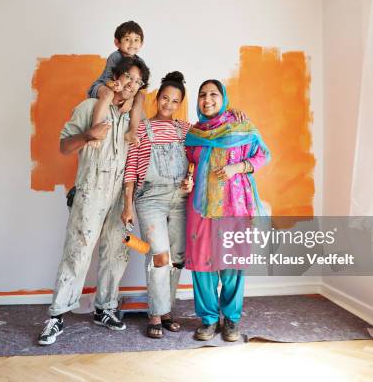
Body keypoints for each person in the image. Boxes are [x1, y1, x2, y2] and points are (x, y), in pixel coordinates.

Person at [38, 56, 150, 346]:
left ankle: (105, 308)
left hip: (120, 196)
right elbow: (64, 146)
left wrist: (128, 204)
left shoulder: (133, 122)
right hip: (90, 190)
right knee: (78, 251)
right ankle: (57, 316)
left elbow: (135, 166)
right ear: (116, 76)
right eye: (129, 77)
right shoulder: (89, 108)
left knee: (116, 252)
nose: (132, 85)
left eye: (138, 82)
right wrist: (89, 134)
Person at [184, 79, 270, 342]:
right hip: (201, 207)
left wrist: (238, 167)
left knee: (232, 264)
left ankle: (231, 320)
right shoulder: (194, 134)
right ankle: (209, 319)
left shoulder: (241, 126)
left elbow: (263, 155)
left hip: (234, 206)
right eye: (202, 95)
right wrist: (186, 179)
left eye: (213, 94)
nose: (207, 99)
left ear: (223, 98)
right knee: (202, 265)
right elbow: (187, 165)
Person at [121, 71, 193, 339]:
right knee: (158, 256)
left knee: (176, 260)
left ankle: (166, 311)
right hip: (150, 198)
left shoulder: (186, 130)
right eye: (165, 98)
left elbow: (198, 159)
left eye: (175, 101)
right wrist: (127, 205)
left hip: (180, 200)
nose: (169, 105)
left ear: (180, 104)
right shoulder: (141, 127)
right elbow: (130, 169)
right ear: (157, 98)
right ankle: (154, 314)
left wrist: (190, 179)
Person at [87, 20, 147, 146]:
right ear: (117, 42)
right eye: (127, 39)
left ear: (141, 43)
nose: (132, 43)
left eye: (136, 39)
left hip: (122, 90)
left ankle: (132, 132)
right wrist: (114, 85)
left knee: (141, 96)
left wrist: (130, 100)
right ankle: (94, 132)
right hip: (103, 86)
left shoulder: (139, 61)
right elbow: (107, 79)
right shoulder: (115, 56)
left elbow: (138, 85)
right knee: (108, 94)